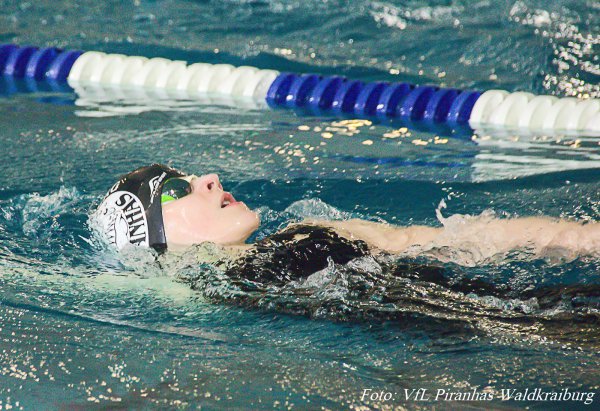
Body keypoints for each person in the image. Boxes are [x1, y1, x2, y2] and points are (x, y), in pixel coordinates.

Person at [91, 164, 599, 339]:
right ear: (154, 238)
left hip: (525, 306)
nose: (209, 178)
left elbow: (465, 241)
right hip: (461, 344)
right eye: (176, 192)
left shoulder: (310, 229)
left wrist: (585, 238)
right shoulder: (201, 302)